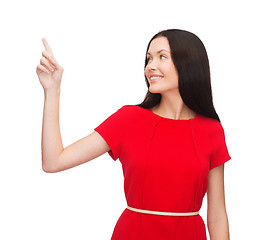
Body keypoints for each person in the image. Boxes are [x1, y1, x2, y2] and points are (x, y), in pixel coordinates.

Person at [36, 29, 231, 240]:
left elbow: (217, 215)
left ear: (189, 63)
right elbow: (53, 161)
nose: (150, 66)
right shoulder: (129, 119)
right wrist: (52, 90)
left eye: (162, 56)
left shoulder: (211, 130)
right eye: (148, 59)